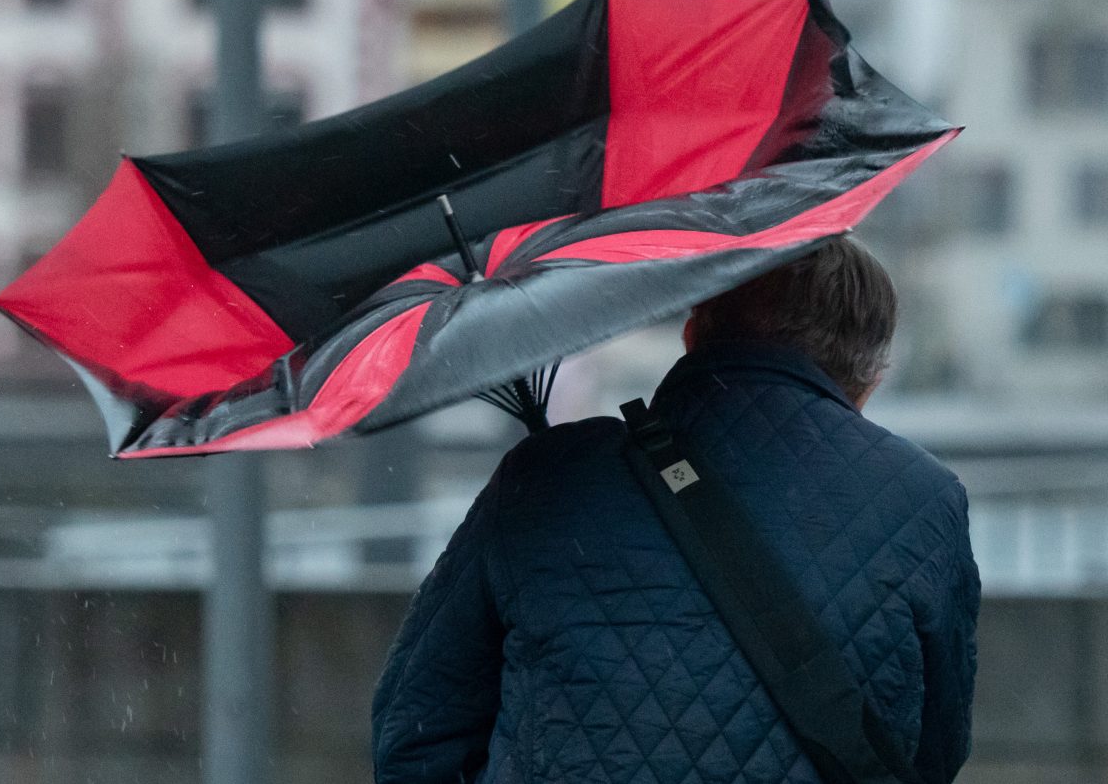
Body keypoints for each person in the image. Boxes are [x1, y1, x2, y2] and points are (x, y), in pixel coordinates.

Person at [371, 237, 980, 784]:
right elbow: (933, 752)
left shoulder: (546, 474)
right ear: (870, 378)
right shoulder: (925, 501)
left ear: (693, 333)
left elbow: (415, 733)